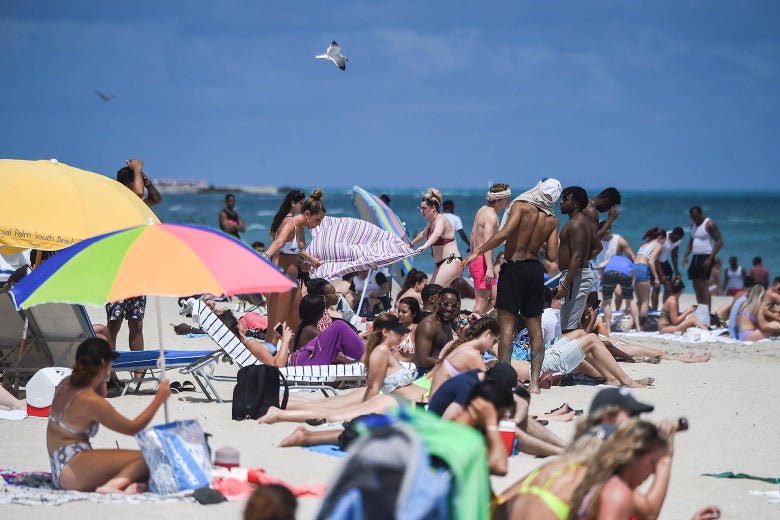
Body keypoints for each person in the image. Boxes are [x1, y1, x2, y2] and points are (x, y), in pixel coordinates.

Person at [462, 178, 562, 394]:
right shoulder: (552, 220)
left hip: (514, 268)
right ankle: (534, 384)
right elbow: (553, 256)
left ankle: (506, 381)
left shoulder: (520, 206)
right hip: (535, 271)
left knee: (507, 328)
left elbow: (504, 234)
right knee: (535, 329)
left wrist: (477, 252)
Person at [46, 338, 171, 492]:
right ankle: (111, 487)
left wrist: (102, 387)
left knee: (137, 466)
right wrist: (159, 399)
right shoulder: (90, 400)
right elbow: (133, 428)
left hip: (60, 466)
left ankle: (128, 485)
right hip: (72, 469)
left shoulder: (66, 383)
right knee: (147, 458)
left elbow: (81, 414)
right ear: (105, 366)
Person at [569, 419, 677, 520]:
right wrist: (665, 460)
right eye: (652, 462)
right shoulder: (617, 493)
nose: (654, 471)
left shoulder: (605, 480)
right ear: (633, 457)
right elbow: (650, 514)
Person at [107, 158, 162, 354]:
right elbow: (138, 193)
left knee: (136, 324)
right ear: (128, 185)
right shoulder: (119, 203)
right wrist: (137, 168)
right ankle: (109, 372)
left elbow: (156, 199)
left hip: (137, 273)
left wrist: (148, 183)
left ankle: (138, 374)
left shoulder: (136, 205)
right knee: (114, 324)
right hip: (118, 272)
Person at [264, 189, 326, 343]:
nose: (318, 224)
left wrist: (304, 263)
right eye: (318, 220)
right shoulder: (289, 223)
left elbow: (292, 253)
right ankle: (269, 364)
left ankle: (290, 360)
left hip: (293, 280)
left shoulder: (301, 228)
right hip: (281, 279)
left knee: (294, 324)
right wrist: (264, 256)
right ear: (307, 214)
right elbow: (278, 242)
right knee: (276, 326)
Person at [468, 184, 512, 314]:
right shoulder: (492, 217)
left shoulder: (482, 209)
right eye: (506, 198)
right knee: (481, 303)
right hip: (482, 262)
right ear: (499, 199)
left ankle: (477, 320)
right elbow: (487, 243)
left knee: (495, 299)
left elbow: (472, 237)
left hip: (478, 259)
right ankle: (470, 330)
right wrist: (489, 268)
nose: (508, 201)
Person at [556, 187, 595, 334]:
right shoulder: (581, 222)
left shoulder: (577, 223)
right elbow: (596, 247)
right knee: (574, 324)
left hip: (576, 277)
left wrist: (565, 285)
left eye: (565, 199)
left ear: (576, 204)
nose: (561, 202)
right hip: (577, 275)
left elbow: (577, 256)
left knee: (568, 328)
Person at [429, 317, 500, 396]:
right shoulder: (472, 355)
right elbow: (485, 390)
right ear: (488, 334)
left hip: (432, 397)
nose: (491, 347)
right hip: (440, 403)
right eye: (494, 342)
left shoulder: (452, 344)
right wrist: (496, 352)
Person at [288, 294, 365, 366]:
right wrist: (351, 363)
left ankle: (363, 356)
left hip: (303, 362)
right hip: (306, 364)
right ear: (321, 313)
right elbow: (333, 352)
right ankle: (365, 357)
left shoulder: (303, 328)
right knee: (339, 325)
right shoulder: (309, 330)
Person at [411, 188, 463, 289]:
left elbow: (436, 234)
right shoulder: (431, 222)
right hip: (442, 264)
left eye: (424, 208)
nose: (421, 211)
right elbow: (423, 235)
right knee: (436, 296)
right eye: (420, 208)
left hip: (451, 261)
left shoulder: (441, 219)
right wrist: (410, 245)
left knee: (431, 292)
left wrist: (424, 246)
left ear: (433, 207)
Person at [682, 206, 723, 310]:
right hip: (695, 257)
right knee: (696, 285)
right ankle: (701, 309)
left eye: (695, 217)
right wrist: (686, 256)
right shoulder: (693, 226)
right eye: (692, 217)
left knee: (704, 285)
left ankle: (708, 312)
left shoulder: (709, 224)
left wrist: (710, 259)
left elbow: (719, 242)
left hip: (706, 256)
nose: (694, 219)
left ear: (700, 214)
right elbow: (691, 241)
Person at [413, 288, 460, 375]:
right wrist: (451, 364)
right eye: (446, 304)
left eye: (453, 306)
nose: (449, 309)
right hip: (424, 375)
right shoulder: (429, 325)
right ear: (438, 303)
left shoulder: (447, 322)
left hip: (440, 372)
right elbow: (423, 359)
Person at [220, 311, 293, 366]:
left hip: (289, 360)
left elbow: (270, 355)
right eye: (239, 321)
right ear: (236, 328)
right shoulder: (251, 344)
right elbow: (277, 366)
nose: (241, 321)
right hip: (290, 365)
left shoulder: (246, 343)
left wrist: (275, 338)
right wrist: (285, 341)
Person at [600, 252, 640, 335]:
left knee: (607, 302)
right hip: (625, 274)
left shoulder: (612, 258)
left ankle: (608, 329)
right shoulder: (630, 262)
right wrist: (627, 307)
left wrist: (601, 277)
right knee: (631, 299)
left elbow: (600, 266)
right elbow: (633, 280)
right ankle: (638, 327)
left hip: (609, 273)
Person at [634, 228, 665, 329]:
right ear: (660, 237)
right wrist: (656, 277)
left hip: (634, 268)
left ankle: (635, 323)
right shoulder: (658, 244)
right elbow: (651, 261)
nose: (664, 242)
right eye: (665, 240)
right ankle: (643, 325)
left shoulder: (644, 244)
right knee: (645, 301)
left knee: (639, 300)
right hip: (643, 268)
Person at [654, 227, 685, 307]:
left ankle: (665, 310)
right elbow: (656, 257)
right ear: (672, 234)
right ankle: (654, 310)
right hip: (655, 263)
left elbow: (674, 255)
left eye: (678, 239)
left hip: (664, 263)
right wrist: (660, 275)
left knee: (668, 287)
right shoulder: (664, 238)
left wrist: (676, 270)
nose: (676, 241)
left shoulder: (678, 240)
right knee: (656, 287)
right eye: (676, 239)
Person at [393, 296, 422, 363]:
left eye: (404, 312)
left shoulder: (416, 329)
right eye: (399, 311)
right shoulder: (394, 328)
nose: (400, 314)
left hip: (408, 369)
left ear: (414, 313)